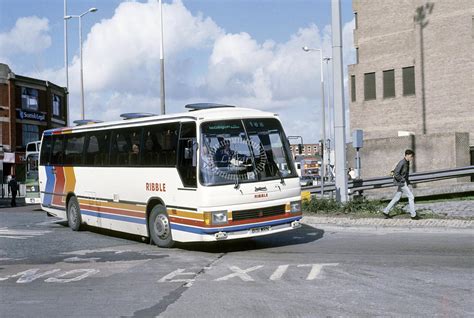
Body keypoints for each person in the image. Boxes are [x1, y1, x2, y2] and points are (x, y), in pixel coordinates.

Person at [383, 149, 418, 220]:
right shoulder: (402, 163)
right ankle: (413, 215)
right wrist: (403, 180)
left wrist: (407, 181)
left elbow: (405, 173)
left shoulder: (407, 162)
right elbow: (396, 174)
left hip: (403, 182)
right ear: (407, 155)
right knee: (411, 197)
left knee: (397, 197)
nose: (412, 158)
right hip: (401, 182)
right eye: (411, 156)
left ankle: (386, 211)